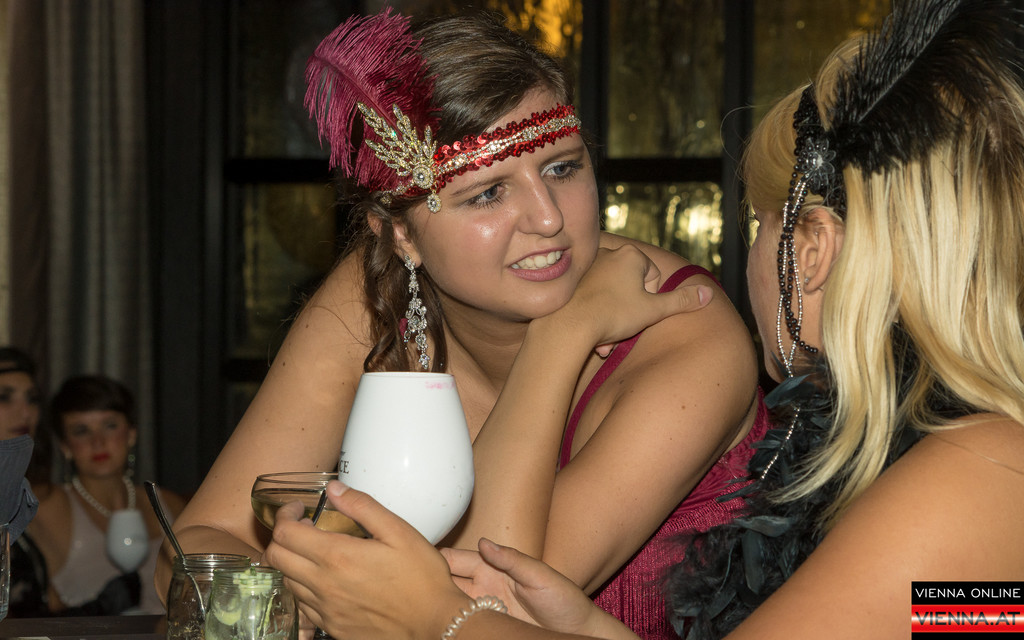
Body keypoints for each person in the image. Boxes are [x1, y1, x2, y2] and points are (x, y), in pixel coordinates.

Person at [260, 0, 1024, 638]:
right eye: (487, 193)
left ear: (813, 251)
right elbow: (958, 623)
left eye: (759, 225)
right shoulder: (962, 459)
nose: (547, 219)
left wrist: (438, 618)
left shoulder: (979, 472)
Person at [161, 9, 767, 639]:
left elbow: (495, 605)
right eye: (487, 193)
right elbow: (201, 541)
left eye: (562, 168)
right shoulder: (374, 294)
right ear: (399, 235)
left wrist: (559, 338)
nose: (548, 218)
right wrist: (297, 599)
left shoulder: (687, 330)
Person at [29, 374, 187, 615]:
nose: (98, 442)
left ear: (131, 434)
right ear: (65, 446)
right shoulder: (47, 508)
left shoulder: (168, 504)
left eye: (110, 426)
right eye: (81, 431)